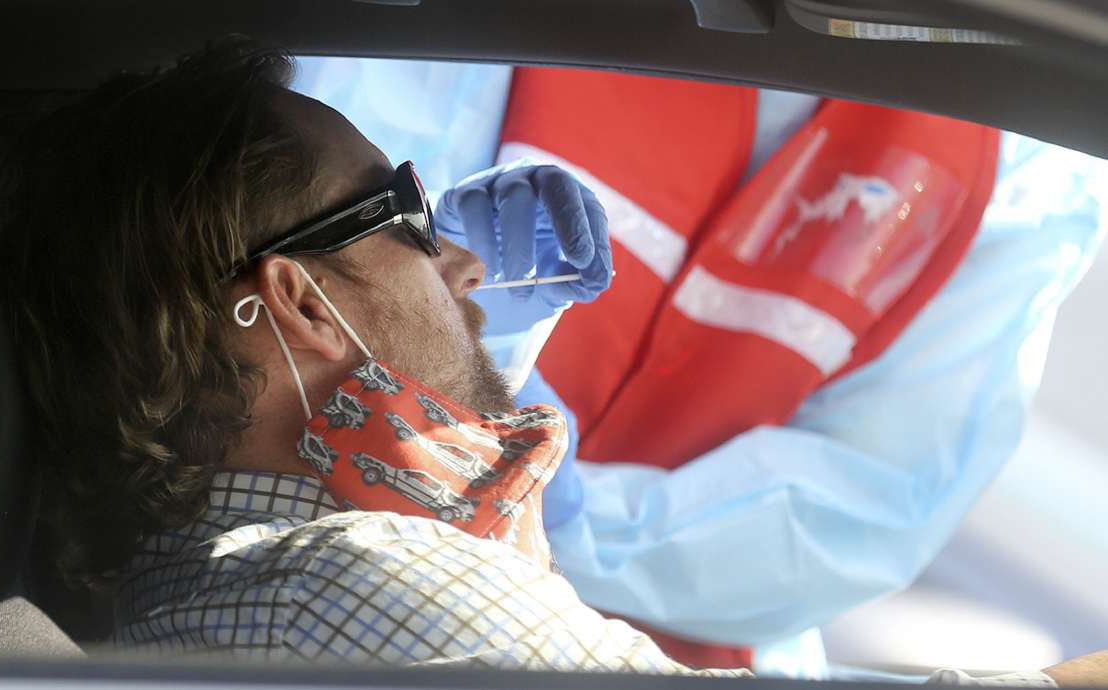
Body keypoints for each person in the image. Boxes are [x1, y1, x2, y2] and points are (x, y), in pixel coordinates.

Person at [0, 37, 1103, 683]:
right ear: (302, 305)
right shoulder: (364, 585)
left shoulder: (179, 594)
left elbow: (870, 506)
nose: (465, 265)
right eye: (404, 216)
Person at [289, 59, 1106, 676]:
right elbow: (305, 275)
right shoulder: (460, 45)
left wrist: (547, 504)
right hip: (364, 555)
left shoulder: (1021, 153)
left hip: (705, 648)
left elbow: (872, 500)